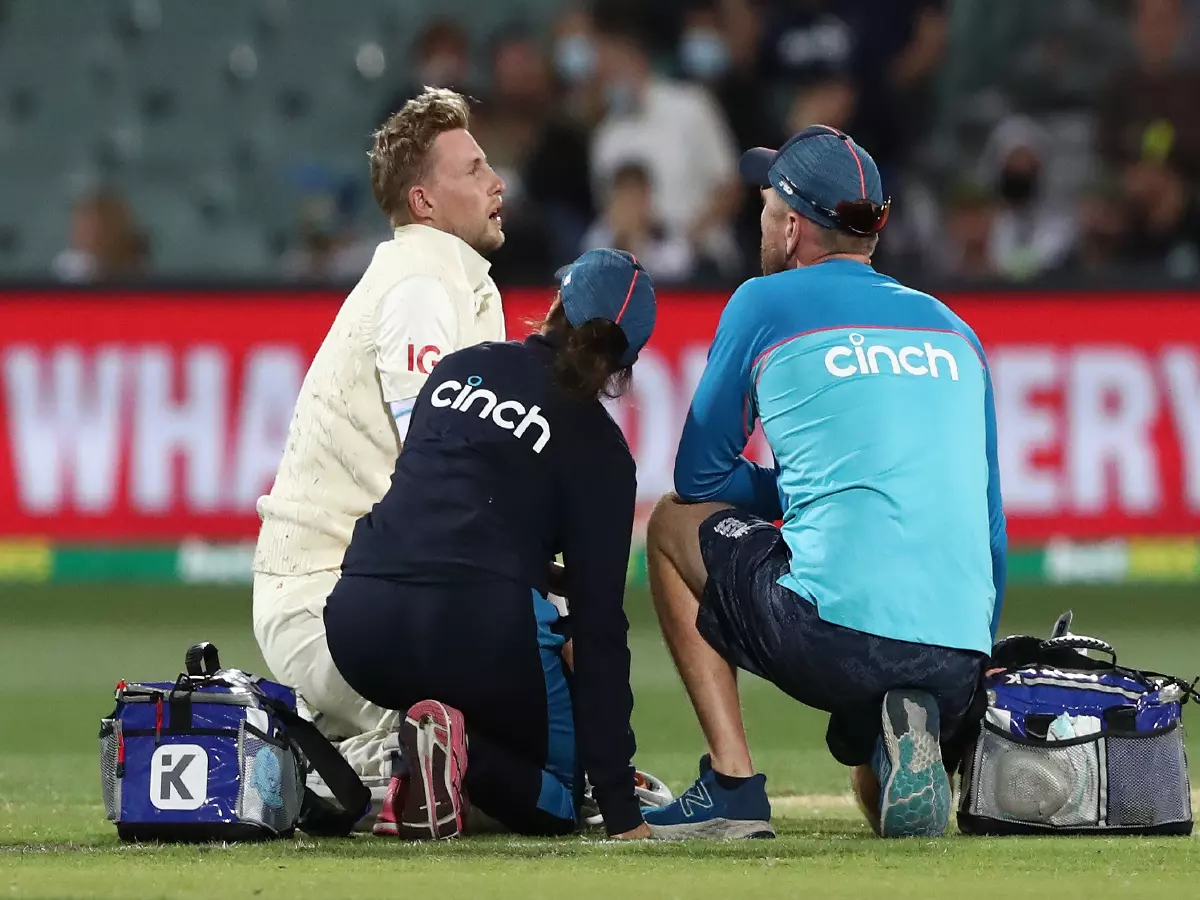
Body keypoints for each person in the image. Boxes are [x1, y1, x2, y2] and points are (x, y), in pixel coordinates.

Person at [642, 125, 1006, 840]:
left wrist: (805, 488)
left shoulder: (762, 304)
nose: (761, 217)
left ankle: (733, 783)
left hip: (833, 635)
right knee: (880, 799)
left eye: (767, 204)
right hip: (961, 650)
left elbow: (699, 475)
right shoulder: (953, 329)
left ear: (793, 227)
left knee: (667, 522)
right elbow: (989, 528)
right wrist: (967, 672)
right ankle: (904, 731)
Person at [322, 249, 658, 841]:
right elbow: (601, 627)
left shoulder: (458, 368)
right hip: (481, 630)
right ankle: (462, 751)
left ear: (556, 304)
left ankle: (399, 759)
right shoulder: (602, 452)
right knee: (559, 798)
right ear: (623, 365)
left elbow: (447, 519)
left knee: (479, 650)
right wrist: (617, 804)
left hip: (360, 621)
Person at [251, 87, 507, 820]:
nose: (498, 183)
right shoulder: (424, 285)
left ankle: (363, 753)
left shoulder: (451, 281)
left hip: (349, 595)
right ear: (424, 201)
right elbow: (436, 456)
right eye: (474, 169)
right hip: (332, 604)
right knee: (505, 740)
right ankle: (350, 765)